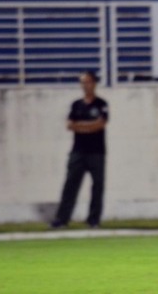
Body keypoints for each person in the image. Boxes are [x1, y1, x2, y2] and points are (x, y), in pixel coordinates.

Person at [50, 71, 108, 229]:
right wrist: (89, 126)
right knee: (70, 185)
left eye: (88, 81)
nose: (85, 85)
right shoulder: (76, 105)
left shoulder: (101, 104)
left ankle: (93, 220)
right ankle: (62, 219)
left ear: (94, 83)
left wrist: (81, 126)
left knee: (97, 186)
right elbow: (70, 125)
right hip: (78, 151)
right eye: (82, 82)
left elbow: (100, 124)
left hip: (97, 152)